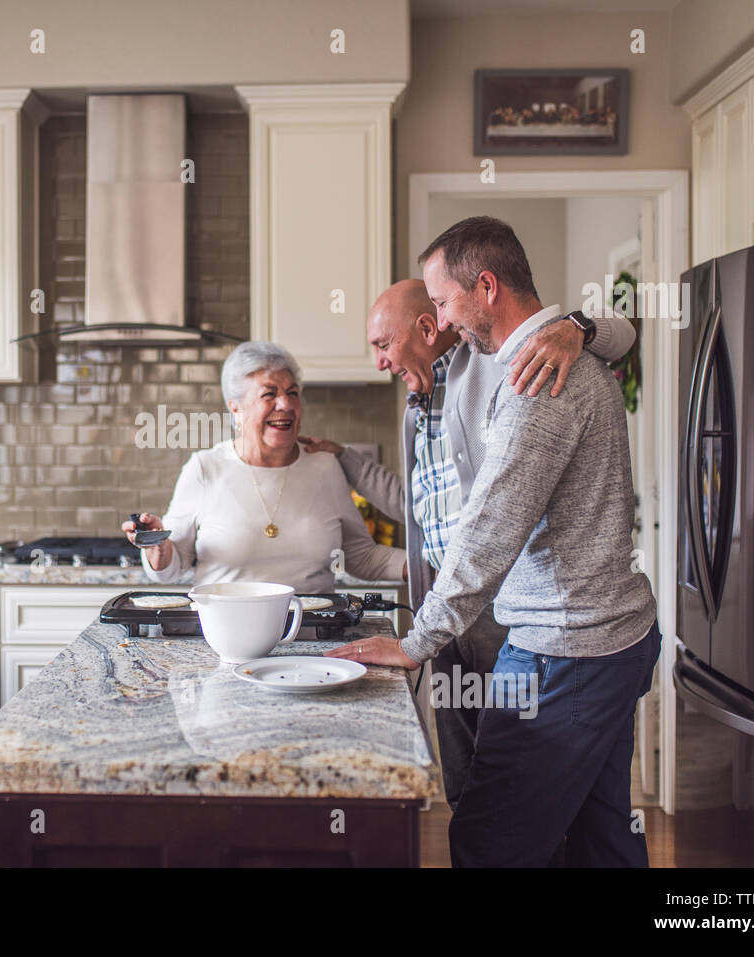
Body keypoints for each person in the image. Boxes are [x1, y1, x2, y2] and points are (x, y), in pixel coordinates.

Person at [329, 216, 659, 867]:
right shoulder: (542, 361)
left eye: (445, 302)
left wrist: (417, 640)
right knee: (603, 836)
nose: (443, 321)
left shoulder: (536, 381)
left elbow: (489, 527)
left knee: (487, 841)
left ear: (485, 288)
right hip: (603, 635)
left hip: (563, 647)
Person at [122, 341, 406, 593]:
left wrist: (432, 565)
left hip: (311, 632)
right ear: (236, 409)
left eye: (293, 393)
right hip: (226, 636)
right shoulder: (205, 468)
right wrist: (158, 546)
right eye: (269, 394)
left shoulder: (324, 467)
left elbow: (360, 556)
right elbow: (172, 567)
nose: (286, 404)